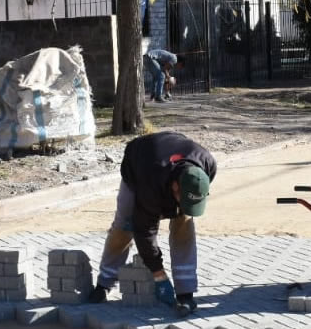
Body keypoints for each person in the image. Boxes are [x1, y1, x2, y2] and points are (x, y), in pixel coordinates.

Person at [88, 131, 216, 314]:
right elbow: (145, 231)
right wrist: (158, 274)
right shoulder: (150, 183)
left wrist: (184, 206)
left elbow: (195, 192)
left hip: (170, 160)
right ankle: (104, 284)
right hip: (139, 165)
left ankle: (185, 292)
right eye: (183, 198)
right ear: (175, 187)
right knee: (124, 226)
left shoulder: (208, 164)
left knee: (184, 224)